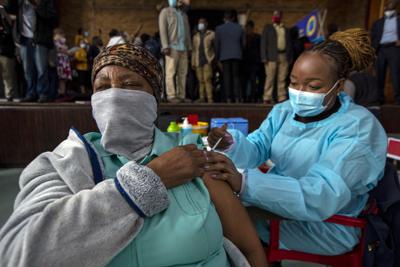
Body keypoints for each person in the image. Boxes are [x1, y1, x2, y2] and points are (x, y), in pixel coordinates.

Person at [0, 43, 268, 267]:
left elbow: (249, 248)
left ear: (155, 98)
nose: (115, 95)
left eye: (130, 85)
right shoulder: (67, 163)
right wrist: (149, 179)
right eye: (103, 87)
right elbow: (17, 255)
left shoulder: (192, 155)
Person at [208, 28, 387, 256]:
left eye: (313, 87)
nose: (301, 93)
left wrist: (245, 184)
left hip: (328, 223)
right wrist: (229, 143)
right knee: (214, 212)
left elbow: (321, 196)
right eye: (294, 83)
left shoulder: (358, 127)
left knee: (223, 227)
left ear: (339, 86)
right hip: (277, 205)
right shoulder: (284, 111)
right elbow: (257, 148)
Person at [5, 0, 58, 103]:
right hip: (24, 39)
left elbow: (53, 18)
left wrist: (36, 5)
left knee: (41, 69)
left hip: (39, 38)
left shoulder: (44, 2)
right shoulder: (20, 3)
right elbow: (9, 9)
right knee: (28, 70)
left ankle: (43, 93)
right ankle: (31, 93)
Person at [159, 0, 192, 103]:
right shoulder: (165, 12)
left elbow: (187, 32)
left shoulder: (183, 14)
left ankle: (181, 95)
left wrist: (189, 47)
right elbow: (162, 29)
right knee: (170, 72)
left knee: (183, 72)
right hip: (172, 47)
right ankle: (171, 95)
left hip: (183, 48)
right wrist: (165, 46)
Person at [371, 0, 400, 105]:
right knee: (380, 75)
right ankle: (379, 99)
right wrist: (373, 51)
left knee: (396, 74)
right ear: (385, 7)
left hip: (394, 49)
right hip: (380, 50)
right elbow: (373, 37)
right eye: (388, 4)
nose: (389, 6)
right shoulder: (377, 23)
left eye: (392, 3)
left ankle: (398, 100)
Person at [261, 10, 293, 104]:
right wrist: (264, 57)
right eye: (275, 15)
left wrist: (290, 57)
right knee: (270, 77)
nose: (277, 16)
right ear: (273, 16)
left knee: (282, 78)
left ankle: (281, 97)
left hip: (284, 56)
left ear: (281, 16)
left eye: (279, 15)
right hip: (271, 56)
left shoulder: (285, 29)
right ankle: (267, 97)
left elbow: (289, 44)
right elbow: (263, 43)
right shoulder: (268, 28)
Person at [215, 9, 244, 103]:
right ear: (233, 18)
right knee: (236, 77)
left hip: (224, 56)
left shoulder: (219, 29)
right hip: (237, 55)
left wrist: (217, 58)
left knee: (227, 78)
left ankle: (228, 98)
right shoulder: (239, 28)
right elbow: (244, 44)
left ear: (224, 18)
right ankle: (237, 97)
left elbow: (217, 45)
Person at [192, 17, 215, 103]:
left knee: (207, 79)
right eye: (199, 23)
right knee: (200, 81)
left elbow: (215, 47)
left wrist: (212, 58)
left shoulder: (211, 34)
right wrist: (193, 62)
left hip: (207, 61)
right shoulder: (196, 36)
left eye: (202, 22)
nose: (200, 25)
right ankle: (202, 97)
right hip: (198, 61)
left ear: (206, 24)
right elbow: (194, 50)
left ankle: (210, 98)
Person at [242, 20, 262, 103]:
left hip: (254, 62)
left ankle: (252, 97)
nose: (249, 29)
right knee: (246, 81)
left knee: (253, 81)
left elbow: (259, 49)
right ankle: (246, 97)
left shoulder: (257, 37)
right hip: (245, 62)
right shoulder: (243, 37)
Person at [0, 6, 16, 102]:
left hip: (6, 49)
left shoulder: (5, 10)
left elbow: (9, 29)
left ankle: (9, 95)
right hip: (5, 47)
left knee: (7, 74)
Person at [53, 28, 72, 100]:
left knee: (63, 78)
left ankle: (62, 93)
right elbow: (57, 50)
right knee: (59, 77)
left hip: (64, 61)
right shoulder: (55, 41)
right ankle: (59, 92)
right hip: (59, 61)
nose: (63, 36)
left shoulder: (62, 42)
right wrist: (64, 50)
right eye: (61, 34)